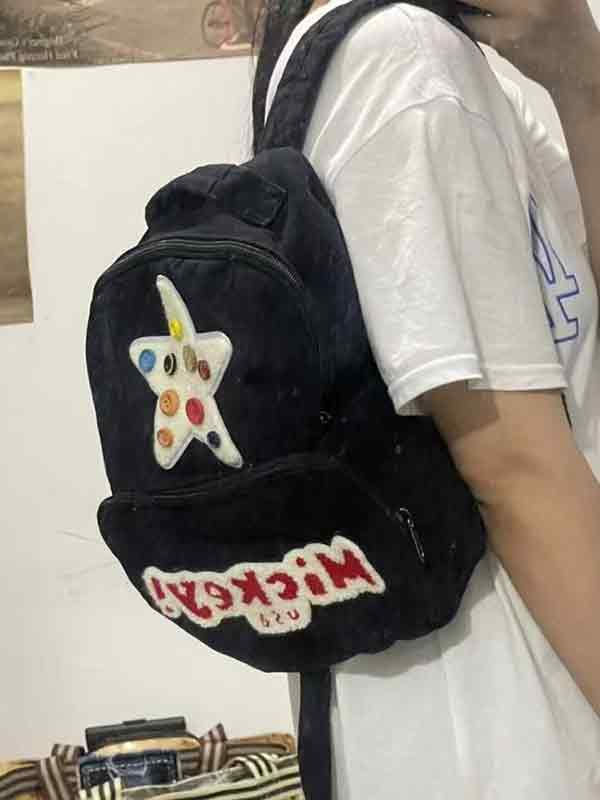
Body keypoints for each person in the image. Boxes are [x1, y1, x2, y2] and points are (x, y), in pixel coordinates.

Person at [251, 0, 600, 797]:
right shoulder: (403, 63)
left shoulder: (458, 74)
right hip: (508, 738)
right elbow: (513, 470)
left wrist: (581, 79)